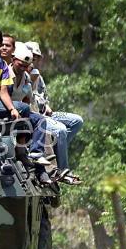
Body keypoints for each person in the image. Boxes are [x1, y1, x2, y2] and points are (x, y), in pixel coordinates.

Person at [0, 26, 53, 183]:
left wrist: (13, 109)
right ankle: (23, 152)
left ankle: (34, 155)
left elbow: (3, 92)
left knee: (38, 120)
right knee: (23, 110)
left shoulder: (3, 66)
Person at [26, 41, 84, 184]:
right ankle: (62, 169)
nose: (34, 60)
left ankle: (55, 150)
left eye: (36, 57)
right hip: (36, 116)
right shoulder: (24, 74)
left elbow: (42, 96)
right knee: (61, 130)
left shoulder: (38, 75)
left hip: (45, 112)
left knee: (77, 121)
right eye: (31, 57)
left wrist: (47, 105)